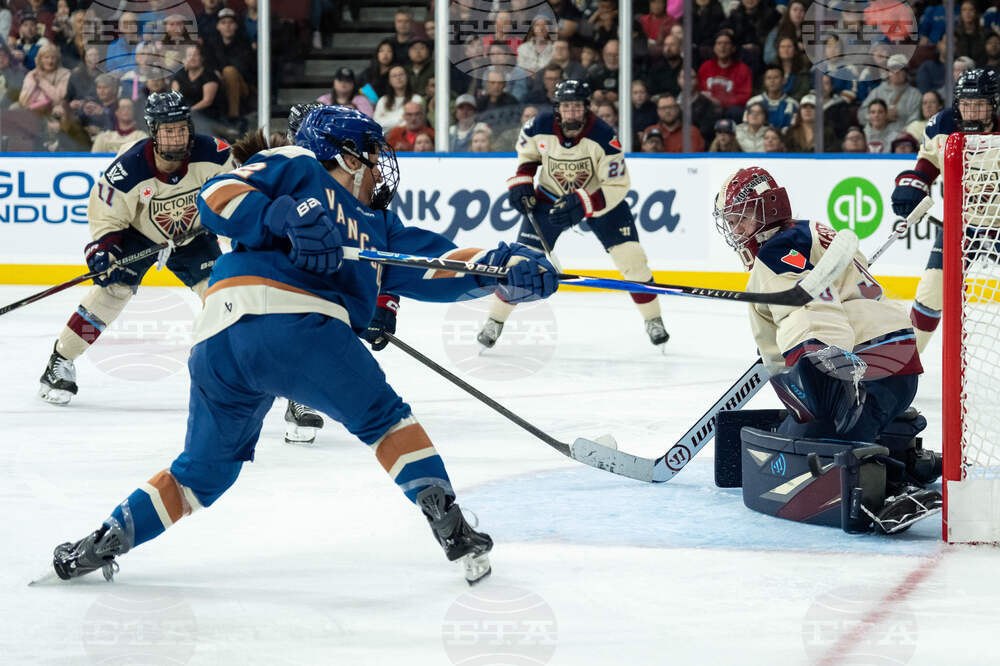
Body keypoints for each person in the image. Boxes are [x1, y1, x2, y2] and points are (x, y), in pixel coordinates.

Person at [44, 105, 559, 586]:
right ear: (345, 154)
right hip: (302, 331)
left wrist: (501, 269)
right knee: (384, 419)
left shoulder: (380, 226)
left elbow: (442, 264)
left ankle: (109, 537)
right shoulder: (297, 164)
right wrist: (282, 217)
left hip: (220, 340)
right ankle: (449, 522)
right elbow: (217, 197)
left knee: (202, 473)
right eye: (375, 155)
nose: (383, 167)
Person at [38, 92, 231, 406]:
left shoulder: (215, 153)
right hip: (139, 235)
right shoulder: (129, 167)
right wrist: (103, 250)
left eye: (181, 128)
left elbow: (238, 191)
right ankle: (61, 360)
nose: (176, 136)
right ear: (154, 131)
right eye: (168, 130)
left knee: (223, 294)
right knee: (110, 294)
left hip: (194, 236)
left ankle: (237, 371)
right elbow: (107, 214)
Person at [713, 166, 922, 443]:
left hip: (863, 372)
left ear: (767, 209)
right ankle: (897, 446)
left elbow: (814, 313)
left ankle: (865, 452)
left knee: (801, 440)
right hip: (898, 363)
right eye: (730, 221)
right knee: (832, 432)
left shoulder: (776, 253)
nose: (736, 229)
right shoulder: (811, 231)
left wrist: (817, 362)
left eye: (742, 218)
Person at [479, 79, 668, 348]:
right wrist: (522, 184)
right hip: (549, 199)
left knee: (633, 260)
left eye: (577, 107)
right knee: (520, 262)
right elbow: (527, 158)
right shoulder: (538, 126)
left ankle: (653, 319)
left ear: (586, 108)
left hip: (597, 199)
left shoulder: (604, 136)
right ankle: (495, 320)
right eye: (566, 107)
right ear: (558, 109)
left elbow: (617, 185)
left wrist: (583, 202)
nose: (572, 113)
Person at [891, 68, 1000, 353]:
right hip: (961, 223)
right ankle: (906, 365)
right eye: (967, 104)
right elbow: (927, 164)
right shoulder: (943, 124)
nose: (973, 112)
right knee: (930, 293)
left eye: (980, 105)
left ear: (994, 104)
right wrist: (914, 184)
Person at [745, 64, 798, 130]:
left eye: (776, 77)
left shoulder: (793, 104)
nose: (772, 81)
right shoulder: (753, 102)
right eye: (769, 78)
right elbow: (746, 126)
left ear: (784, 80)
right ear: (764, 81)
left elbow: (794, 129)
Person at [373, 64, 423, 130]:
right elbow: (376, 124)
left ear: (407, 77)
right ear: (389, 81)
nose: (398, 78)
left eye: (401, 74)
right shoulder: (383, 100)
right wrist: (400, 120)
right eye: (394, 76)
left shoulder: (416, 99)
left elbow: (411, 123)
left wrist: (386, 119)